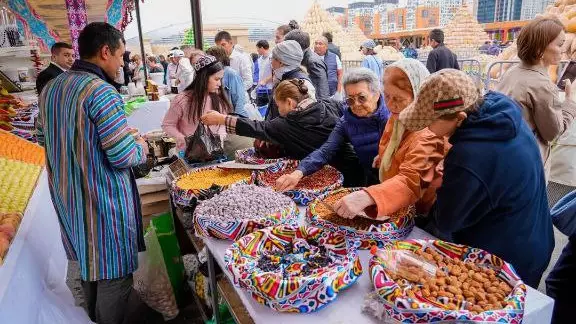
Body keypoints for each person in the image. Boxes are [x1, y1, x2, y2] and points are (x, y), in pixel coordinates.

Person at [36, 22, 150, 324]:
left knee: (88, 266)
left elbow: (42, 139)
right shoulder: (101, 92)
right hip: (101, 202)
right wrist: (140, 145)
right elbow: (122, 155)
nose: (121, 63)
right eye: (121, 56)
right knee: (114, 274)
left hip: (68, 198)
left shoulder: (51, 88)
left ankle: (91, 318)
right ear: (105, 52)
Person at [399, 69, 554, 288]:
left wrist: (442, 182)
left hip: (507, 258)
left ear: (459, 117)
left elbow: (447, 220)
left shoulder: (468, 156)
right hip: (534, 234)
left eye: (429, 122)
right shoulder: (500, 110)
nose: (426, 128)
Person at [331, 59, 447, 220]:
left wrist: (368, 196)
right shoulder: (399, 117)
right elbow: (393, 142)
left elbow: (411, 181)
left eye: (398, 99)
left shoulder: (430, 131)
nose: (391, 105)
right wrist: (385, 156)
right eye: (387, 96)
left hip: (421, 210)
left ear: (419, 95)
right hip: (397, 201)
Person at [201, 79, 363, 185]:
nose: (278, 110)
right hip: (355, 166)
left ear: (290, 102)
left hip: (331, 176)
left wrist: (221, 119)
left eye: (279, 106)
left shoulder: (288, 123)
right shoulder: (328, 104)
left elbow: (255, 127)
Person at [276, 67, 390, 189]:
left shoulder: (392, 115)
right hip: (370, 177)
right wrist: (298, 173)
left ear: (377, 95)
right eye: (350, 100)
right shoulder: (346, 122)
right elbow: (325, 151)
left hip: (397, 177)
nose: (356, 104)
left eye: (362, 98)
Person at [497, 17, 576, 180]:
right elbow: (553, 133)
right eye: (559, 45)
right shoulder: (542, 84)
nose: (563, 50)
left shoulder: (512, 71)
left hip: (505, 159)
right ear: (540, 49)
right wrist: (570, 102)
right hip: (526, 168)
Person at [162, 54, 231, 151]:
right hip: (188, 153)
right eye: (216, 79)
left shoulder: (219, 98)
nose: (219, 84)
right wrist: (181, 138)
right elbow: (167, 124)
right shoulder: (182, 99)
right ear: (204, 78)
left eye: (220, 79)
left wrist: (221, 136)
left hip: (215, 152)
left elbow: (222, 123)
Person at [265, 40, 316, 121]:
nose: (271, 62)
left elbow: (305, 120)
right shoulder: (283, 78)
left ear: (281, 62)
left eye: (272, 58)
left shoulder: (303, 84)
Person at [284, 29, 330, 99]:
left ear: (296, 46)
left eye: (288, 47)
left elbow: (322, 93)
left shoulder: (313, 62)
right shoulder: (301, 57)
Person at [205, 46, 249, 117]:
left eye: (210, 58)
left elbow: (239, 100)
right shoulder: (209, 74)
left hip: (229, 119)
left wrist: (237, 122)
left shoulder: (231, 73)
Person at [256, 40, 274, 106]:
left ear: (261, 48)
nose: (257, 50)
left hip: (270, 89)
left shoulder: (272, 58)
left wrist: (265, 80)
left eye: (257, 48)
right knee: (259, 108)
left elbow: (275, 73)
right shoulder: (260, 59)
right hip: (261, 88)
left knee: (270, 109)